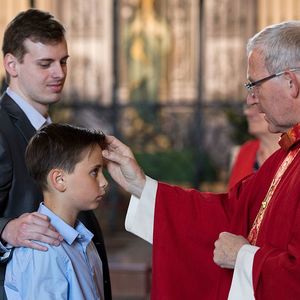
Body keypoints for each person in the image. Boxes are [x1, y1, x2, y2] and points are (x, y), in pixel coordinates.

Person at [102, 20, 300, 299]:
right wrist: (143, 187)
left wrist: (243, 257)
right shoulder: (286, 156)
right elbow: (230, 212)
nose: (251, 99)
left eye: (254, 84)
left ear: (291, 82)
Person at [0, 9, 111, 299]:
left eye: (63, 61)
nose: (59, 73)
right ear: (12, 64)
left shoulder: (54, 130)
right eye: (45, 63)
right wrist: (5, 230)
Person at [4, 123, 108, 299]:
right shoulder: (41, 252)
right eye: (94, 172)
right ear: (59, 179)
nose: (104, 182)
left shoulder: (85, 241)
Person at [228, 103, 280, 189]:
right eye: (248, 106)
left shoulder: (295, 156)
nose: (247, 112)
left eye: (258, 106)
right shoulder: (245, 151)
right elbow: (232, 199)